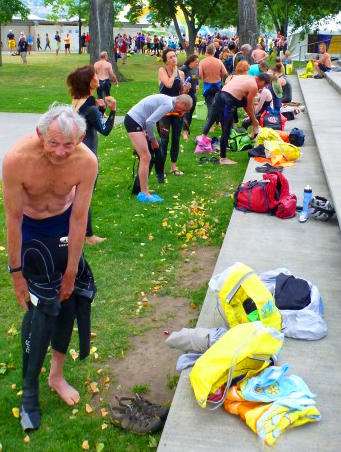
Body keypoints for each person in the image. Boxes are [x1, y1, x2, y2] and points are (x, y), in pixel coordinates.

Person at [2, 104, 98, 431]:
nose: (59, 152)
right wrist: (16, 274)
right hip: (31, 230)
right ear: (41, 134)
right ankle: (29, 390)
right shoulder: (16, 160)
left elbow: (79, 217)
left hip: (62, 225)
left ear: (81, 139)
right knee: (43, 308)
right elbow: (13, 218)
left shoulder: (86, 162)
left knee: (69, 299)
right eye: (53, 143)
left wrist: (71, 269)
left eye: (68, 145)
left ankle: (56, 375)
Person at [67, 65, 116, 245]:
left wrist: (100, 110)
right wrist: (113, 110)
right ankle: (88, 236)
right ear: (90, 82)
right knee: (84, 197)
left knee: (75, 196)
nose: (98, 77)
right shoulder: (90, 107)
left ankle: (73, 229)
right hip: (87, 157)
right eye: (95, 75)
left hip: (75, 153)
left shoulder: (77, 100)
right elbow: (105, 130)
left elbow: (89, 122)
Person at [124, 94, 193, 202]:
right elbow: (150, 122)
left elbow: (149, 118)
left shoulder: (170, 101)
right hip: (134, 121)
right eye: (183, 110)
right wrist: (153, 139)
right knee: (145, 157)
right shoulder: (168, 104)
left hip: (137, 121)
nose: (182, 113)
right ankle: (143, 193)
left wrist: (147, 133)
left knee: (147, 156)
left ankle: (143, 189)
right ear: (181, 103)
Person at [201, 73, 271, 164]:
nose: (262, 88)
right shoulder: (253, 86)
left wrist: (253, 119)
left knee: (211, 119)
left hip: (219, 95)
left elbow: (246, 104)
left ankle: (201, 143)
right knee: (226, 129)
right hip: (227, 101)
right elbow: (249, 106)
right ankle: (223, 158)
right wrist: (254, 121)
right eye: (264, 86)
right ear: (262, 82)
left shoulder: (247, 77)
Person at [157, 48, 191, 177]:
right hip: (164, 110)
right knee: (164, 140)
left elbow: (180, 93)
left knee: (176, 139)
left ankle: (173, 167)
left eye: (175, 56)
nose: (174, 59)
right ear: (166, 60)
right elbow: (169, 84)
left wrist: (186, 89)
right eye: (170, 57)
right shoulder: (162, 70)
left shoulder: (181, 74)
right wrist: (176, 70)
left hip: (177, 111)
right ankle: (162, 169)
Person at [199, 43, 227, 118]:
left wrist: (205, 76)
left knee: (209, 104)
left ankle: (210, 126)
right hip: (217, 84)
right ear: (214, 52)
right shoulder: (218, 61)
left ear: (206, 52)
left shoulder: (202, 62)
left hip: (208, 85)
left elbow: (200, 75)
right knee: (219, 103)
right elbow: (225, 72)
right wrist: (218, 76)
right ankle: (219, 122)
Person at [181, 54, 200, 139]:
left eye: (198, 62)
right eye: (196, 62)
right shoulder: (184, 68)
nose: (197, 64)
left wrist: (198, 84)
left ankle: (187, 129)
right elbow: (179, 78)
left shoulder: (196, 69)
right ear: (190, 62)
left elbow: (197, 79)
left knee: (191, 111)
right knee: (186, 112)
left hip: (193, 93)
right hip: (186, 93)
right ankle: (184, 133)